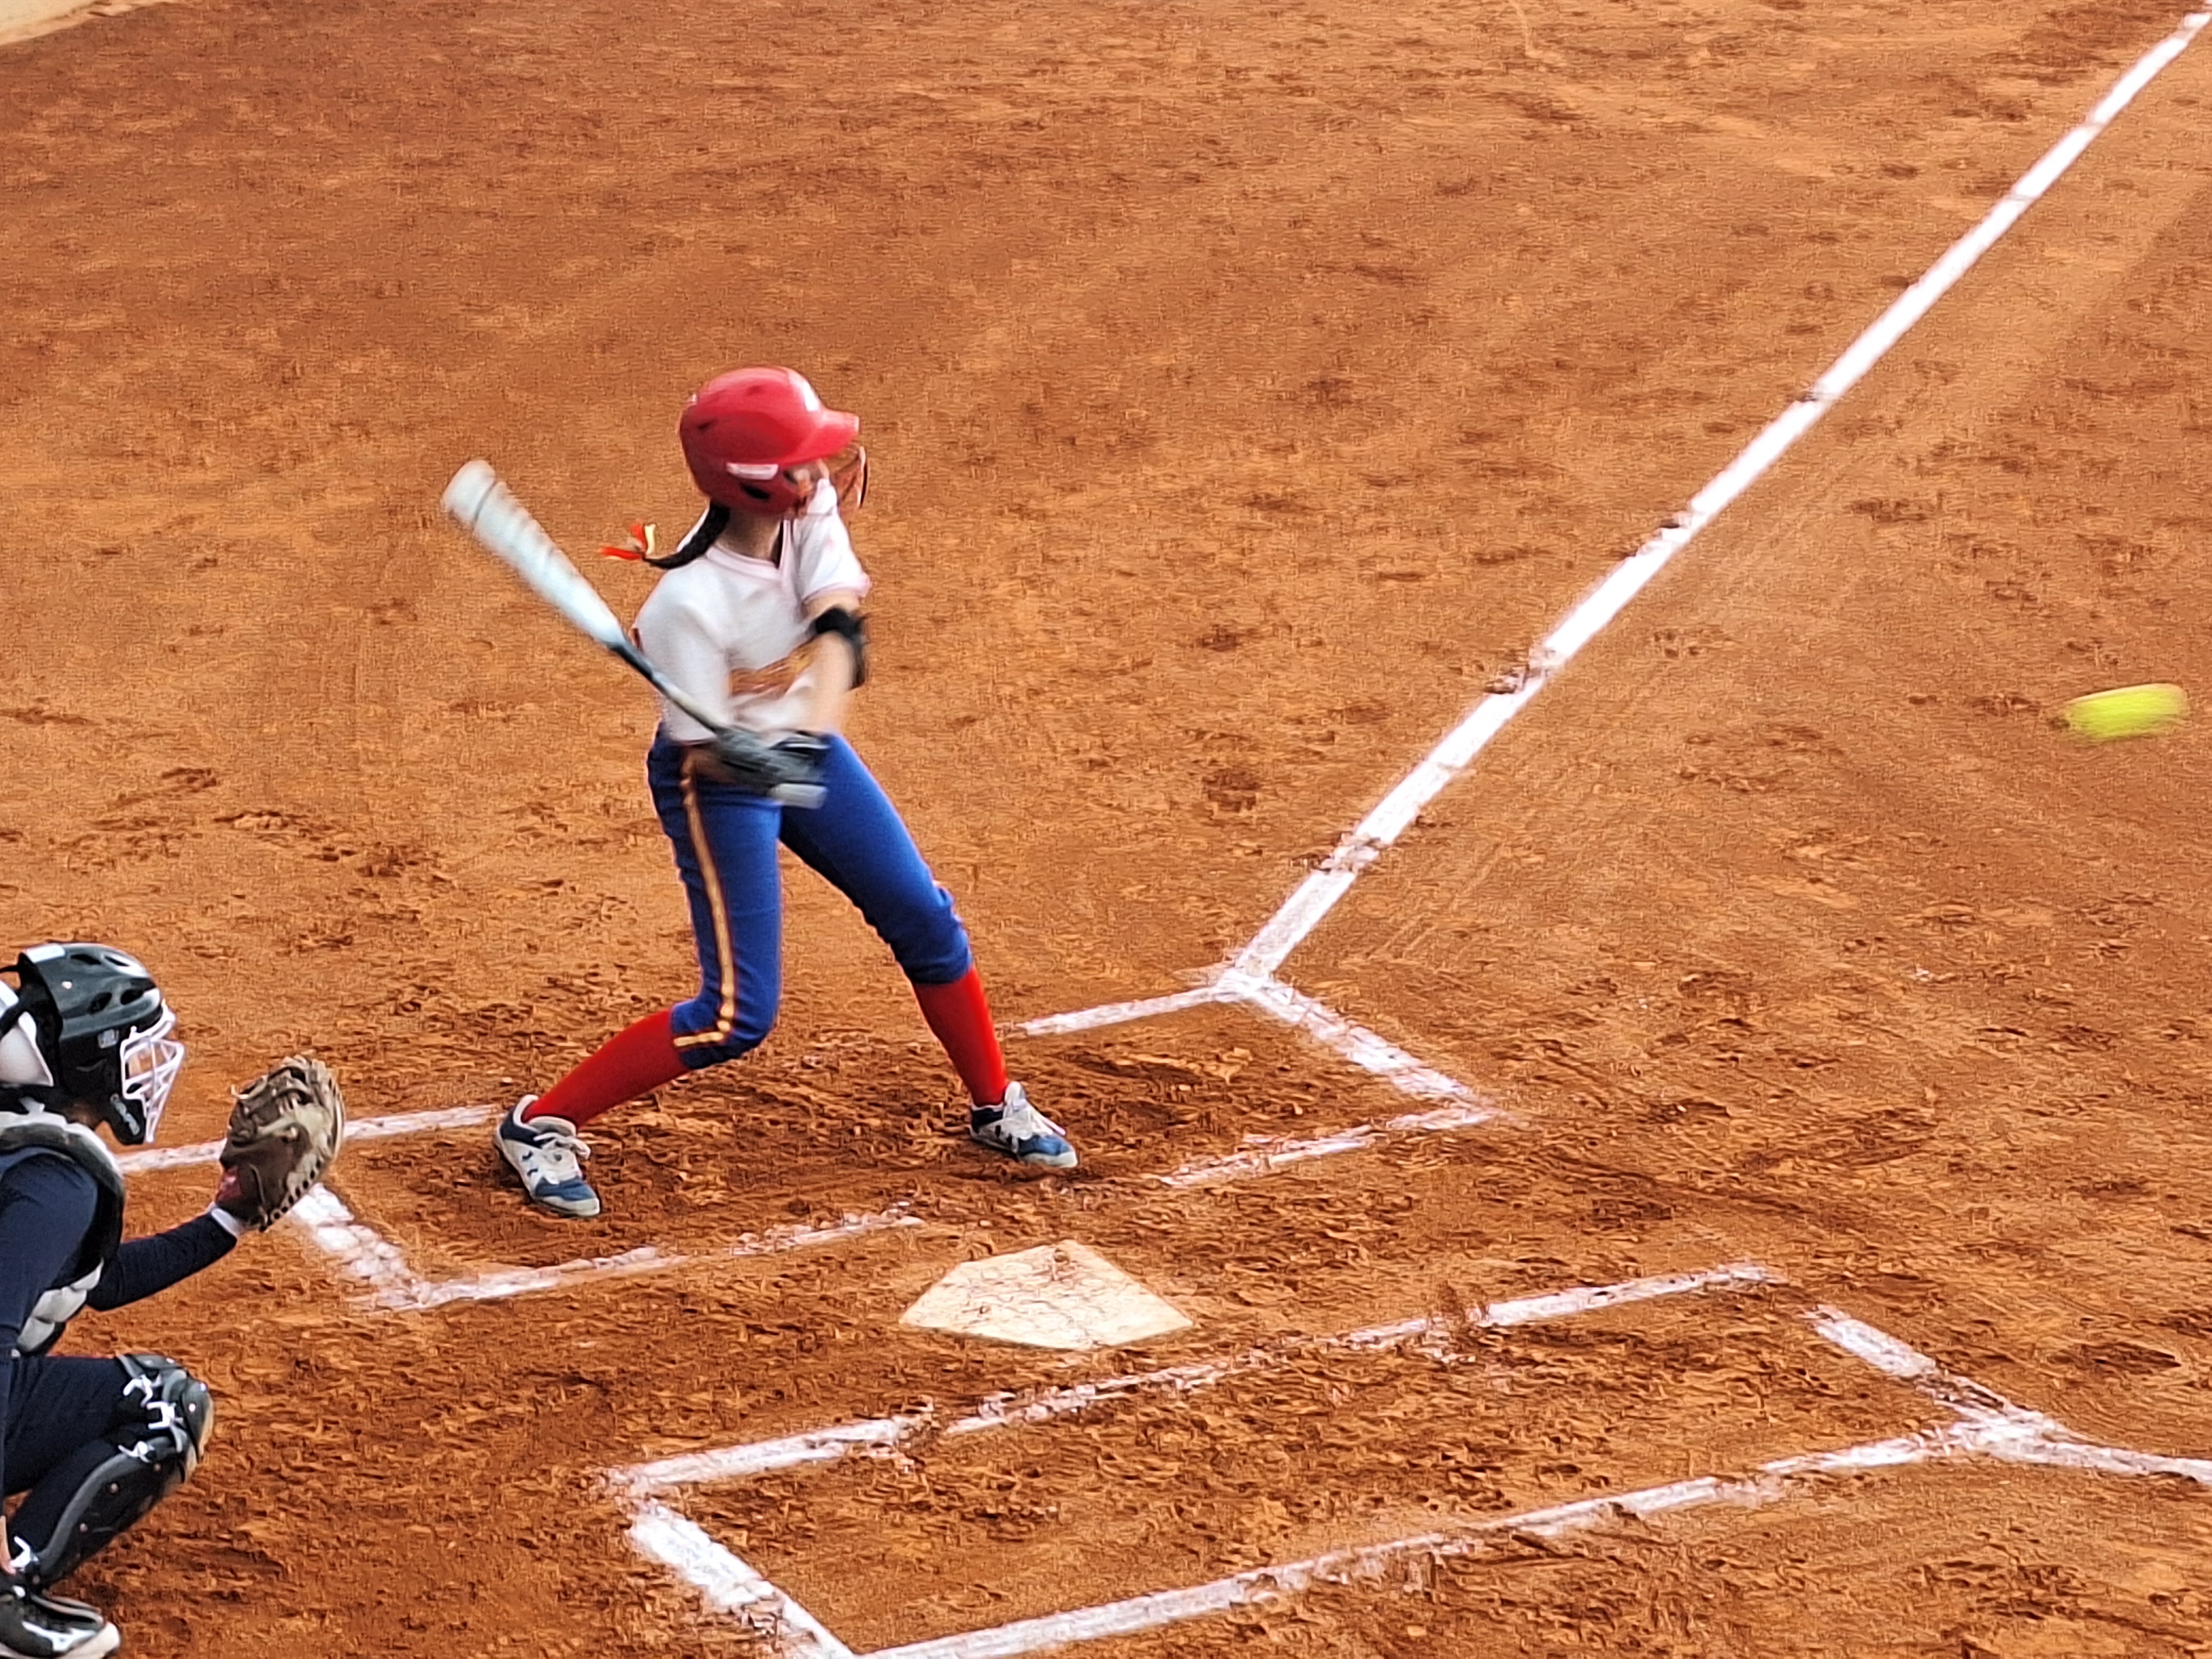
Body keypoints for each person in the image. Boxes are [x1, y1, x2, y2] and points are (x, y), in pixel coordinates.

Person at [493, 366, 1077, 1220]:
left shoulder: (807, 511)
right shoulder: (686, 608)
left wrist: (824, 677)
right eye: (801, 463)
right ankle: (538, 1125)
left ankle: (996, 1104)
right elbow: (714, 760)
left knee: (923, 916)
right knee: (737, 1014)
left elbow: (835, 609)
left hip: (803, 746)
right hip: (716, 785)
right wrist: (765, 749)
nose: (822, 472)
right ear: (754, 484)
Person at [0, 944, 236, 1659]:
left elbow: (88, 1281)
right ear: (89, 1064)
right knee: (165, 1405)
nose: (148, 1067)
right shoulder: (54, 1185)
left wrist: (230, 1222)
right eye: (134, 1051)